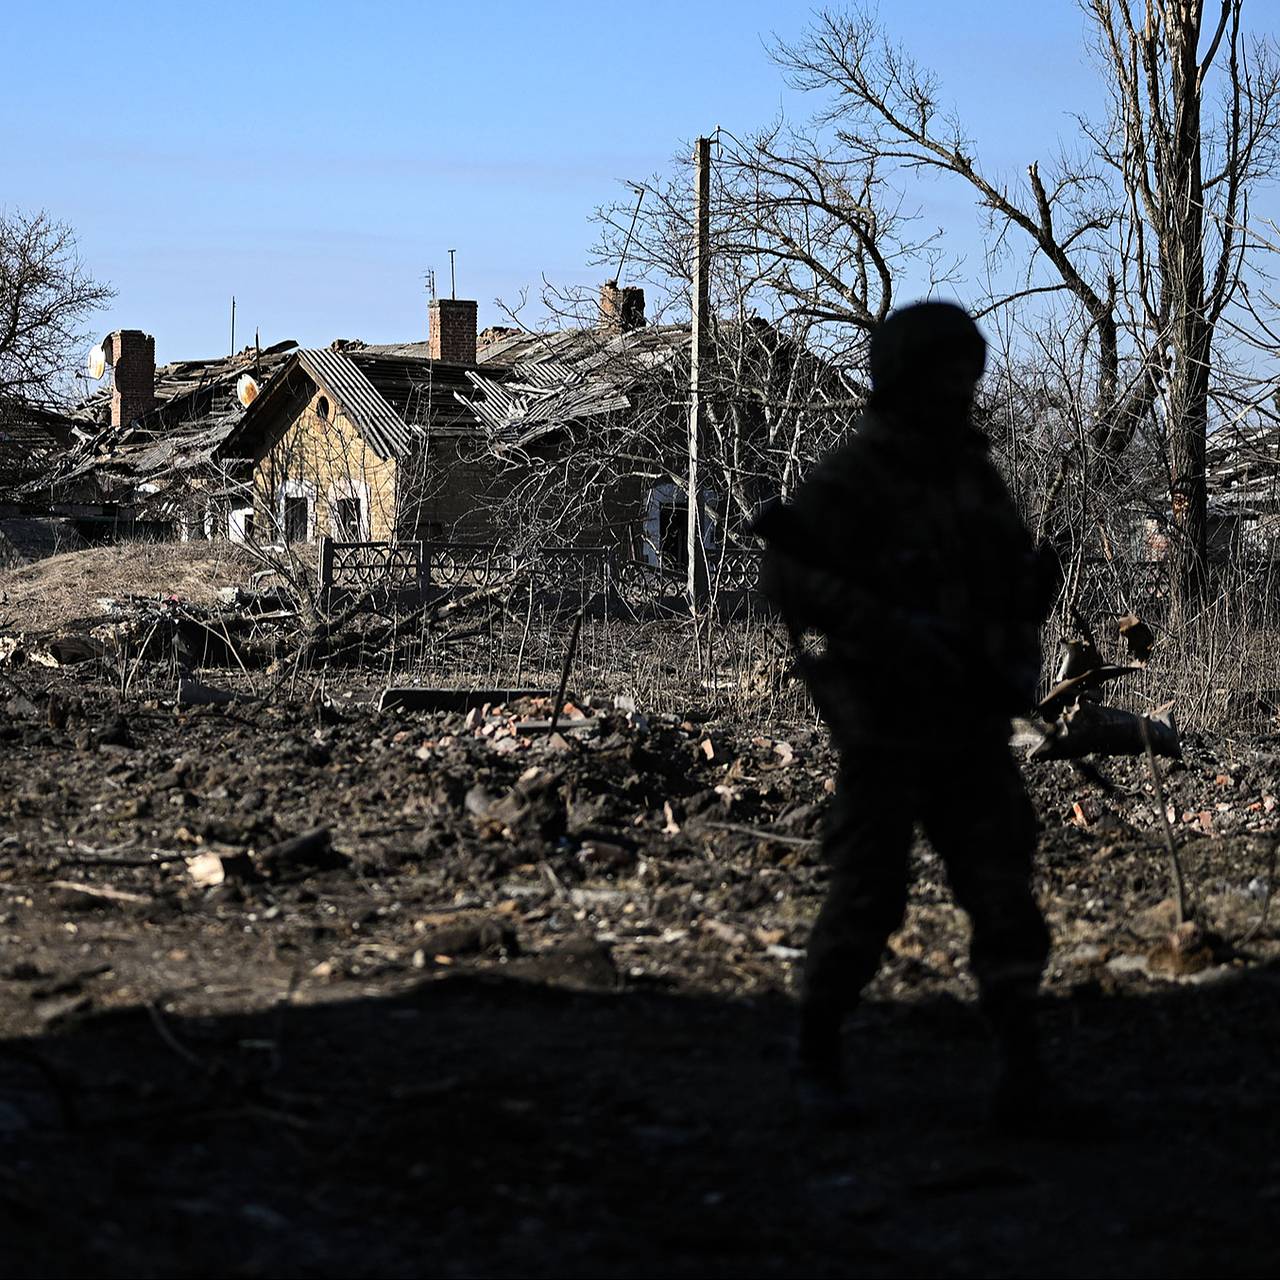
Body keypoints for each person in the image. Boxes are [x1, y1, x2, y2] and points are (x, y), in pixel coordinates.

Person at [756, 301, 1054, 1126]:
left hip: (970, 720)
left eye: (970, 372)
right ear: (907, 379)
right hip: (886, 721)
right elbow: (786, 577)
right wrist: (886, 629)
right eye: (946, 373)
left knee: (1003, 894)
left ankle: (1022, 1070)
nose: (962, 388)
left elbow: (1000, 578)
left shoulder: (972, 472)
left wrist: (1022, 611)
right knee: (868, 894)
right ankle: (816, 1052)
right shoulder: (859, 474)